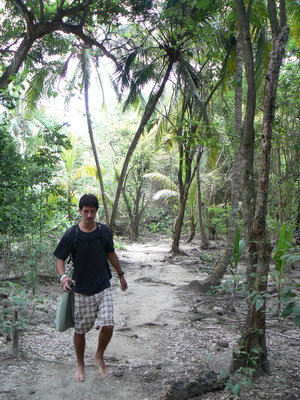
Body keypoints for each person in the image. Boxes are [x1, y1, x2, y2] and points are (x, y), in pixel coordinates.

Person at [54, 194, 128, 382]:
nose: (89, 215)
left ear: (96, 212)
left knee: (109, 325)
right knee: (80, 330)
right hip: (81, 290)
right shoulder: (72, 234)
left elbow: (111, 253)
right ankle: (80, 365)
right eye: (85, 211)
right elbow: (60, 257)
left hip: (103, 286)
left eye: (92, 211)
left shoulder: (103, 232)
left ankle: (99, 355)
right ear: (80, 211)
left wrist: (121, 275)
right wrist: (63, 278)